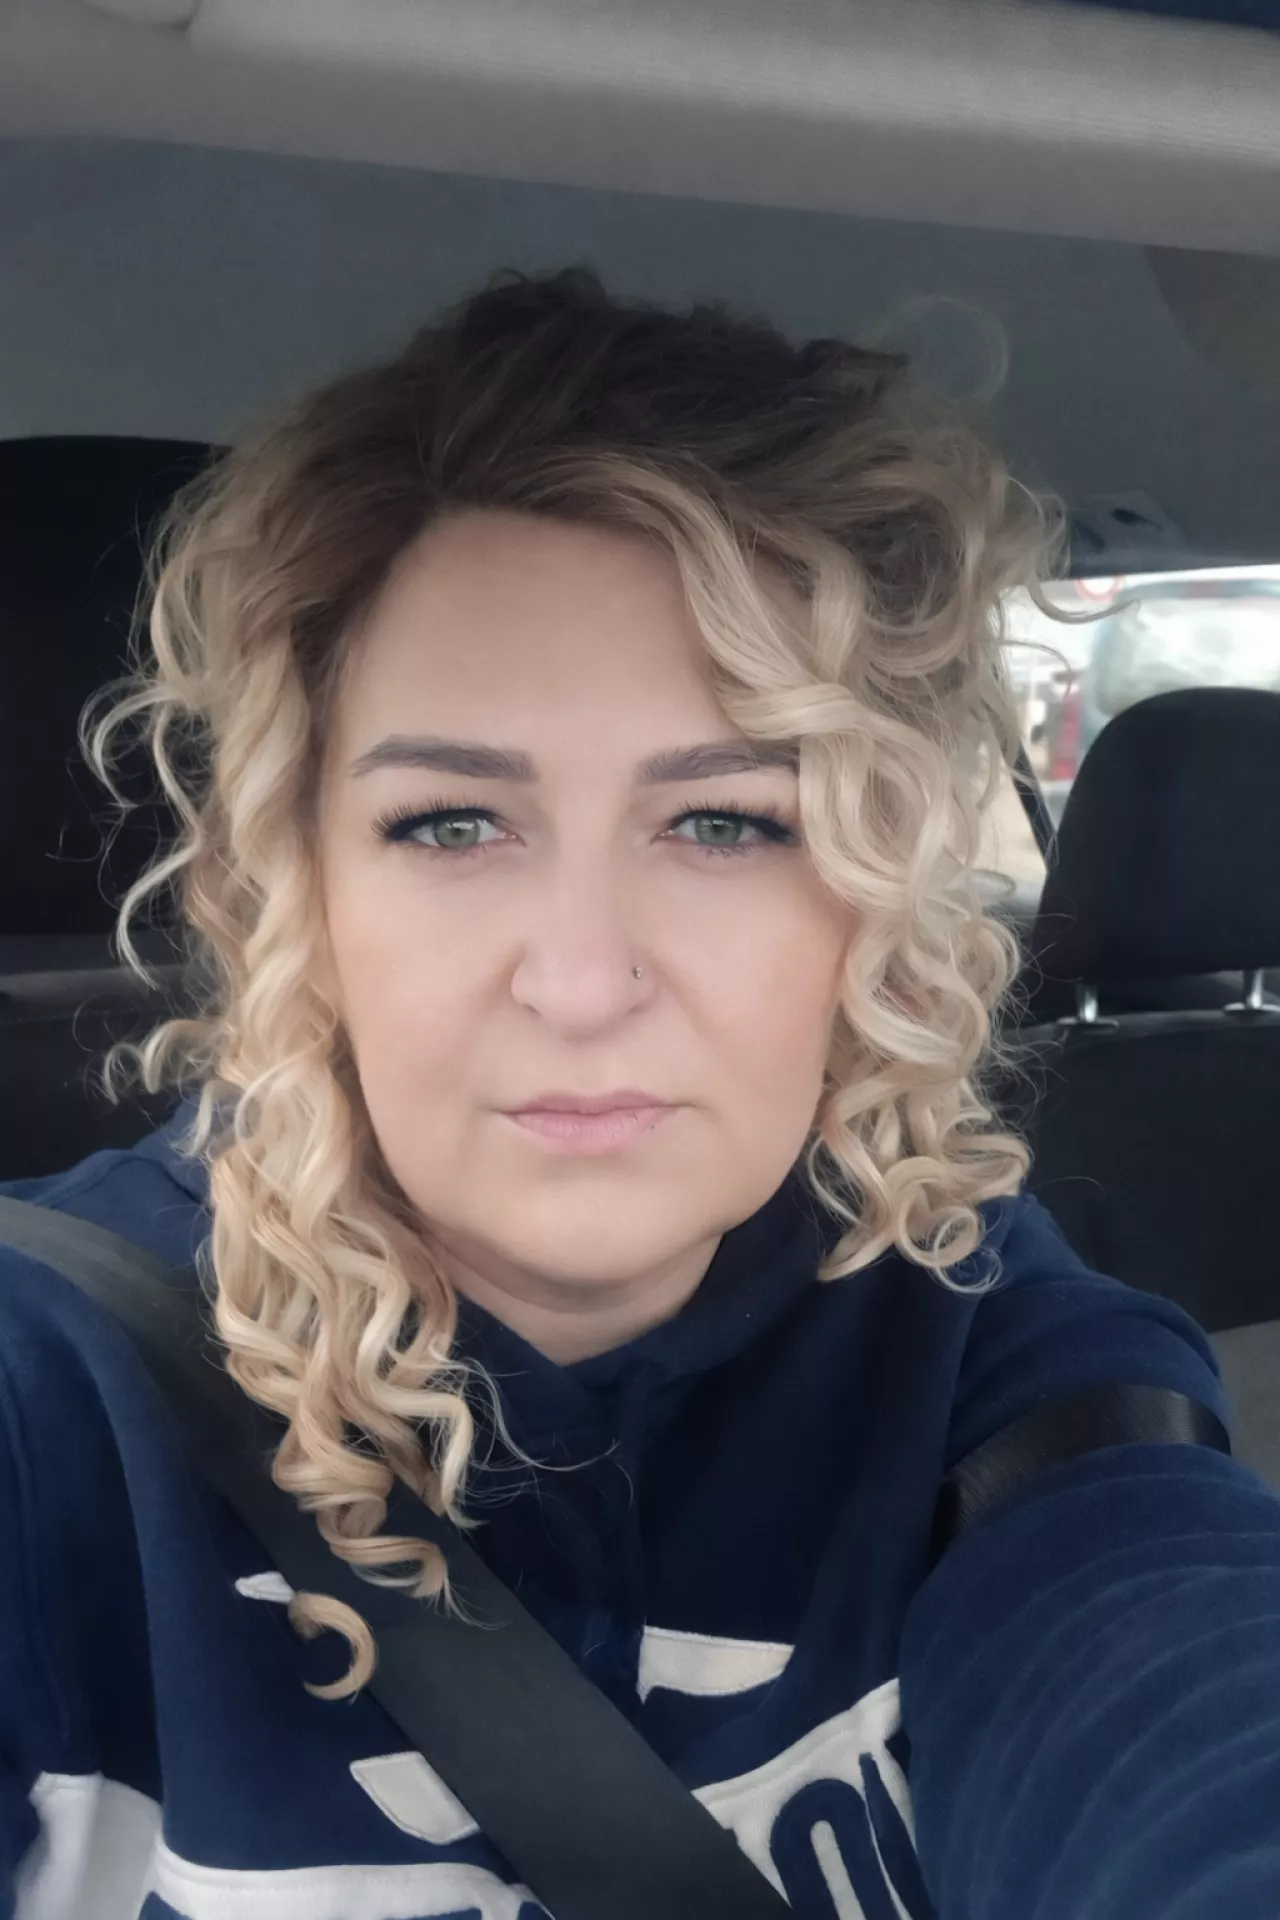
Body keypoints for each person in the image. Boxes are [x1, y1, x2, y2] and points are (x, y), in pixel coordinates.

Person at [1, 266, 1278, 1920]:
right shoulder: (48, 1392)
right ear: (297, 891)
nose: (584, 980)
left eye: (725, 822)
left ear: (871, 901)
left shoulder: (976, 1332)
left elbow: (1176, 1681)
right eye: (452, 824)